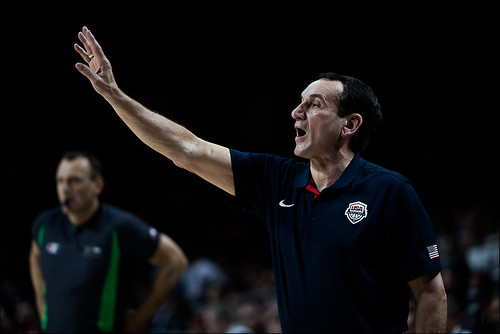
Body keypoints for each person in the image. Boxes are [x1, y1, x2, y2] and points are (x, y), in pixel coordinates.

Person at [74, 26, 447, 332]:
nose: (296, 112)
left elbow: (430, 293)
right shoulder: (276, 180)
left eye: (314, 104)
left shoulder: (391, 191)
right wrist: (114, 95)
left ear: (349, 125)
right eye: (300, 102)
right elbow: (186, 150)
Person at [29, 150, 188, 333]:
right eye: (60, 180)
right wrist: (42, 308)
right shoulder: (45, 224)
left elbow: (176, 261)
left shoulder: (119, 226)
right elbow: (35, 255)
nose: (65, 188)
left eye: (75, 180)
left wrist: (140, 318)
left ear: (97, 185)